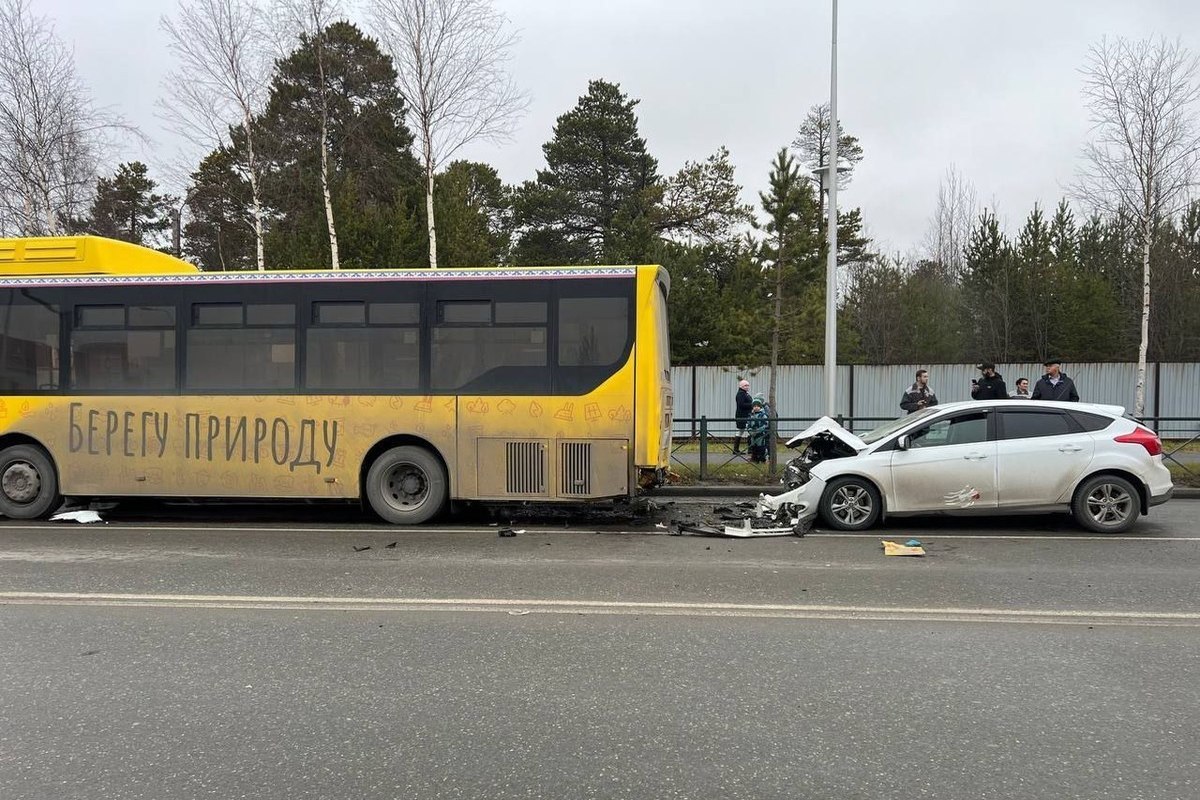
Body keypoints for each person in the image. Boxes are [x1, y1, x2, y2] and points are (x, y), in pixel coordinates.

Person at [746, 397, 769, 463]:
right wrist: (750, 431)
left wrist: (758, 431)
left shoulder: (763, 415)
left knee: (761, 447)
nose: (756, 407)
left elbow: (765, 425)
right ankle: (755, 459)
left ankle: (762, 459)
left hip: (760, 434)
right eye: (754, 406)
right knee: (754, 447)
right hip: (752, 435)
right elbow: (748, 424)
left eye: (757, 406)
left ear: (760, 407)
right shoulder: (751, 415)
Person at [733, 379, 753, 453]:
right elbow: (741, 405)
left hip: (745, 415)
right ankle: (748, 449)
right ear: (741, 386)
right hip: (742, 416)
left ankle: (738, 449)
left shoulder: (744, 393)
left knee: (744, 431)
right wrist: (752, 405)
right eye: (745, 385)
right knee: (744, 431)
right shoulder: (741, 394)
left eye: (748, 385)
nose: (747, 387)